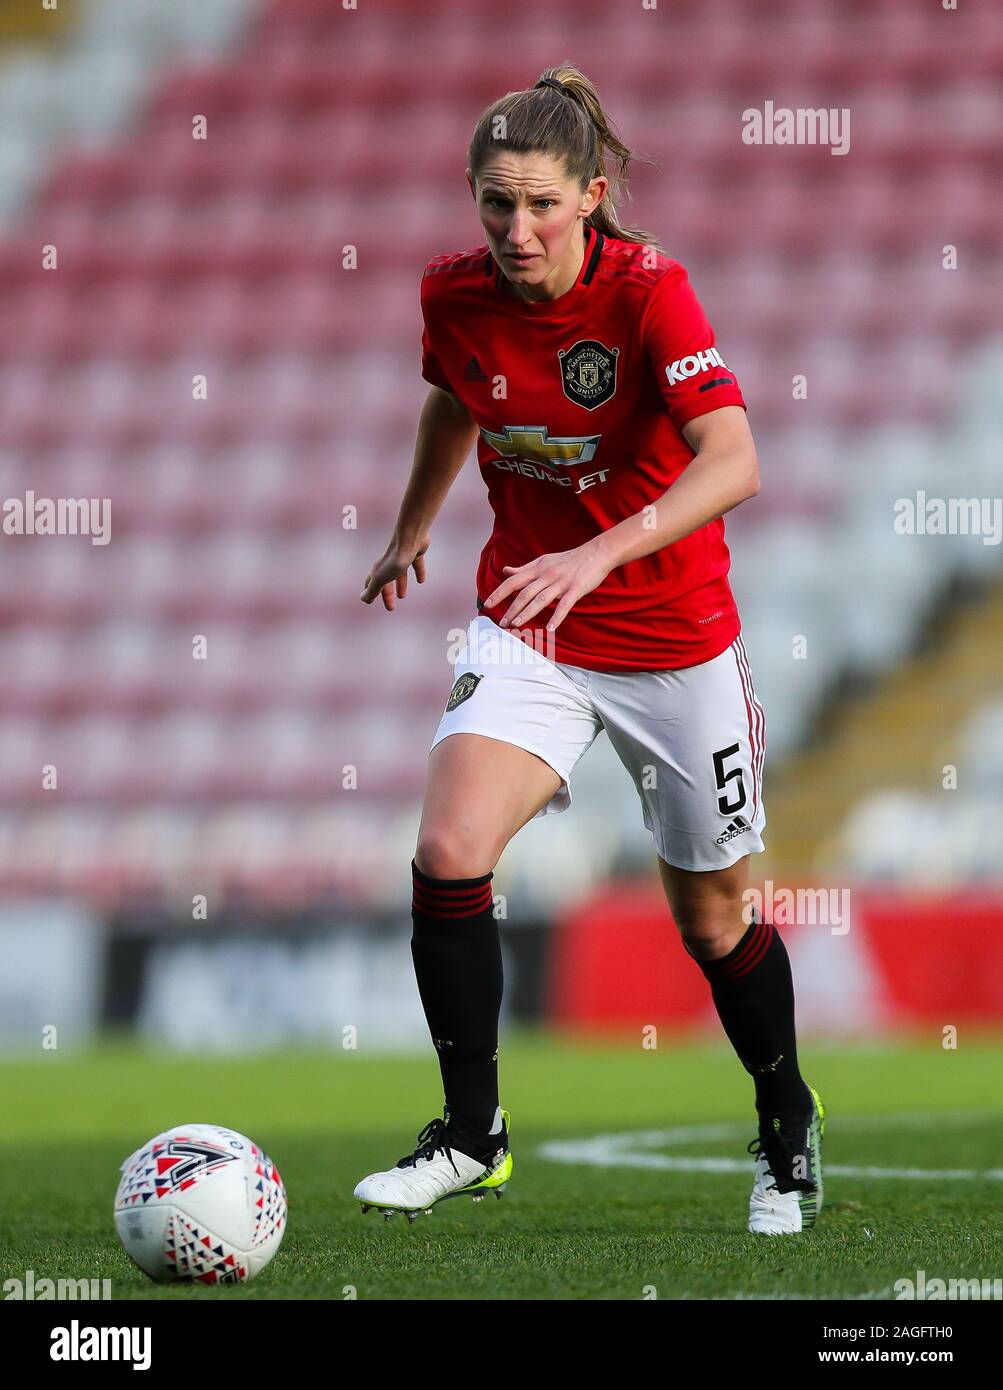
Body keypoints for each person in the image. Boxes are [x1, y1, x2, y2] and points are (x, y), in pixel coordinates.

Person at [355, 64, 823, 1235]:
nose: (516, 230)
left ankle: (786, 1127)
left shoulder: (652, 295)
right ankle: (473, 1136)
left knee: (713, 922)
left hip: (672, 636)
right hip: (531, 624)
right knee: (449, 846)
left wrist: (600, 552)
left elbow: (735, 460)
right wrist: (412, 525)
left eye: (541, 206)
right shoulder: (452, 298)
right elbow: (455, 399)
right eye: (494, 206)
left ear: (592, 193)